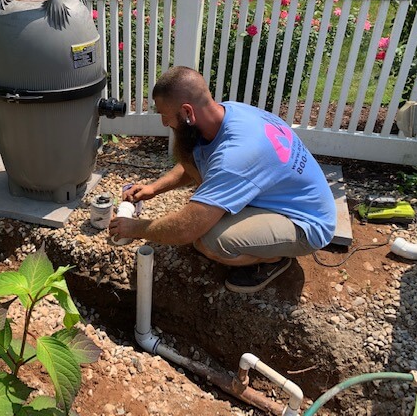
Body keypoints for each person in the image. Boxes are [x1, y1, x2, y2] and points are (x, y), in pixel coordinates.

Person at [108, 66, 336, 293]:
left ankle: (275, 259)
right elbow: (195, 159)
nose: (164, 123)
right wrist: (154, 188)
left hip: (306, 223)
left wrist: (136, 228)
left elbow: (185, 230)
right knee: (206, 211)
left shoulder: (236, 156)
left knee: (209, 241)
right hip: (284, 197)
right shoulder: (225, 113)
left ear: (187, 113)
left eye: (165, 116)